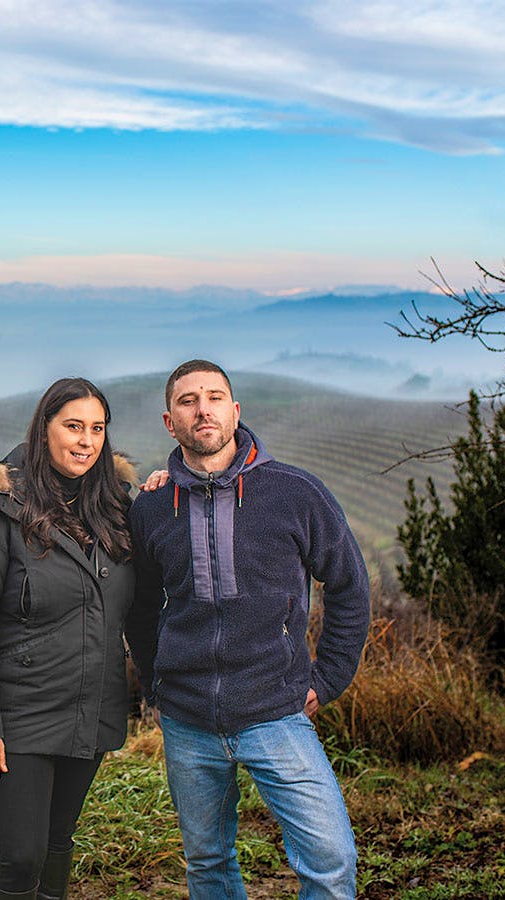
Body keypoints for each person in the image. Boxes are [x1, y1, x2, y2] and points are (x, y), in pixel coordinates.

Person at [125, 360, 370, 900]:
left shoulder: (296, 493)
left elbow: (350, 586)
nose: (203, 408)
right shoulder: (150, 506)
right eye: (188, 400)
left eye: (215, 397)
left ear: (235, 411)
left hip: (275, 712)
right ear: (171, 422)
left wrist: (326, 680)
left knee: (331, 860)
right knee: (208, 862)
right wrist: (155, 686)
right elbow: (139, 610)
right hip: (187, 719)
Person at [0, 377, 138, 900]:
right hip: (21, 712)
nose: (86, 441)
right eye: (73, 426)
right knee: (22, 854)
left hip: (91, 704)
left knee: (57, 844)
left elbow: (137, 608)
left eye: (97, 429)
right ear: (43, 429)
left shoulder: (118, 505)